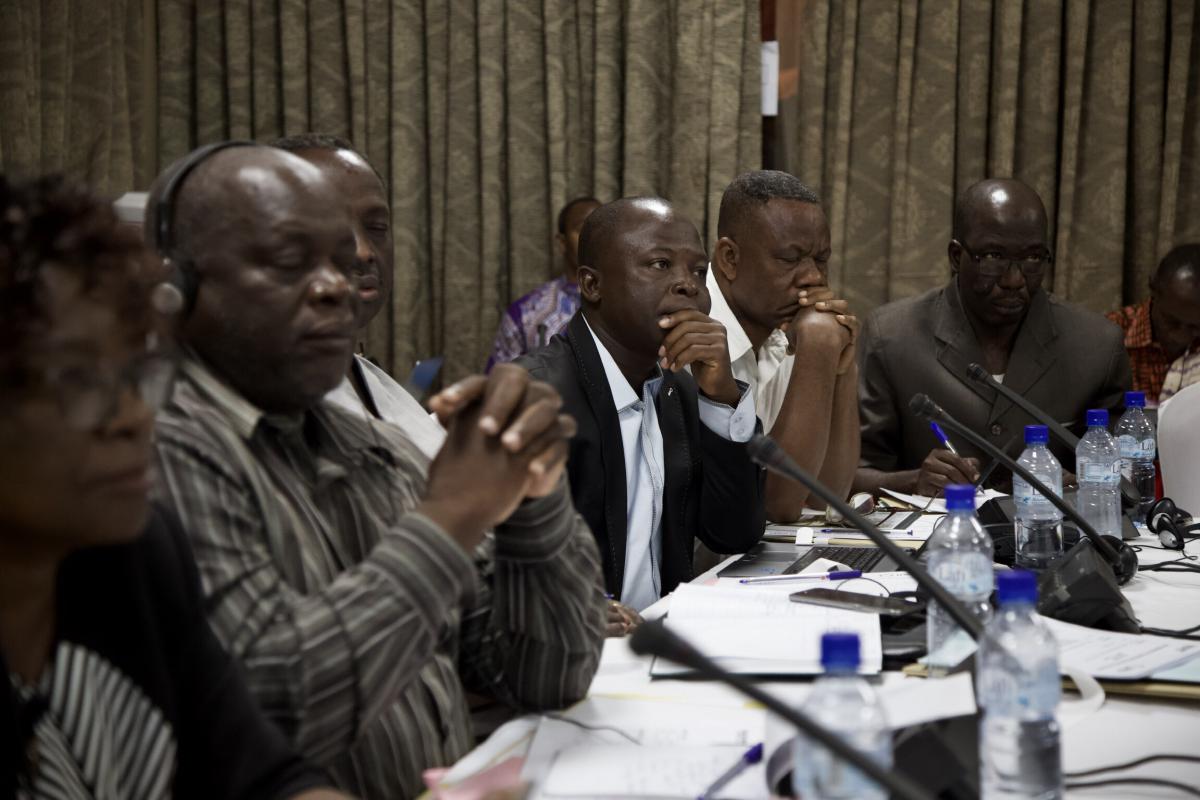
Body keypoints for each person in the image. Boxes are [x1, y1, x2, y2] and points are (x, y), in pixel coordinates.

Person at [145, 144, 605, 800]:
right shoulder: (159, 447)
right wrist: (450, 519)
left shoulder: (371, 444)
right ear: (176, 289)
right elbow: (267, 719)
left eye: (342, 258)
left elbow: (547, 673)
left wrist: (535, 496)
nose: (339, 283)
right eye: (287, 260)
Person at [0, 175, 348, 799]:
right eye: (79, 380)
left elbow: (266, 777)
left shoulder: (131, 554)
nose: (133, 415)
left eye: (137, 372)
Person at [516, 197, 766, 621]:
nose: (688, 285)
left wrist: (720, 395)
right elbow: (505, 570)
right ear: (592, 285)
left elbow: (734, 532)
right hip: (570, 656)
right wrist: (583, 616)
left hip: (661, 647)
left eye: (697, 271)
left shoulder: (679, 392)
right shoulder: (537, 398)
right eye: (659, 264)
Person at [855, 178, 1130, 497]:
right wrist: (913, 481)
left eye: (1032, 258)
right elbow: (851, 475)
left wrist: (1084, 485)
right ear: (956, 256)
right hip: (935, 539)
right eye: (993, 257)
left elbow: (1127, 483)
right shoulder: (891, 336)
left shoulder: (1096, 345)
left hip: (1053, 536)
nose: (1014, 279)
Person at [272, 133, 444, 458]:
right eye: (329, 225)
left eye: (376, 228)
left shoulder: (377, 385)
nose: (364, 251)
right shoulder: (263, 405)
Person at [708, 171, 859, 520]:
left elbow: (827, 497)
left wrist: (842, 362)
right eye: (790, 259)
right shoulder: (690, 335)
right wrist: (820, 346)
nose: (814, 278)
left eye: (821, 259)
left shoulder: (794, 326)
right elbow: (773, 506)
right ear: (730, 258)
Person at [486, 196, 600, 369]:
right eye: (582, 228)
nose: (595, 236)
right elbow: (499, 385)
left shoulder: (634, 302)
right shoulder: (525, 314)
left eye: (603, 228)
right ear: (562, 243)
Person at [1107, 243, 1200, 403]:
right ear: (1153, 290)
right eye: (1172, 322)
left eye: (1196, 327)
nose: (1181, 336)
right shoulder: (1110, 335)